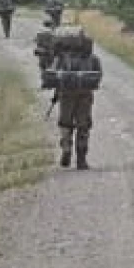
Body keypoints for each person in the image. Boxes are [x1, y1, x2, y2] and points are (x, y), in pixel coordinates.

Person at [47, 25, 102, 169]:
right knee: (83, 126)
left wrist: (56, 93)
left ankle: (66, 147)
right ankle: (81, 159)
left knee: (65, 124)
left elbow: (52, 76)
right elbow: (98, 76)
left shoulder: (60, 58)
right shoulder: (92, 58)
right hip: (85, 96)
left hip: (65, 94)